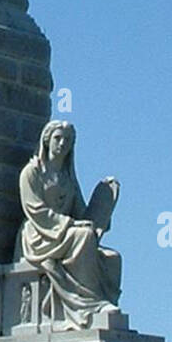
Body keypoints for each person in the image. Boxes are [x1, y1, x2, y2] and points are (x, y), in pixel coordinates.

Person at [15, 122, 122, 328]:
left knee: (113, 258)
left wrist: (103, 203)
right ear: (47, 140)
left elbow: (81, 212)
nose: (62, 143)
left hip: (64, 233)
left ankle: (103, 305)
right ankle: (90, 305)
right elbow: (35, 209)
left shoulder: (68, 177)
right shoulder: (32, 172)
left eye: (68, 140)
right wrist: (71, 224)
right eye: (58, 138)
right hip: (39, 234)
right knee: (83, 237)